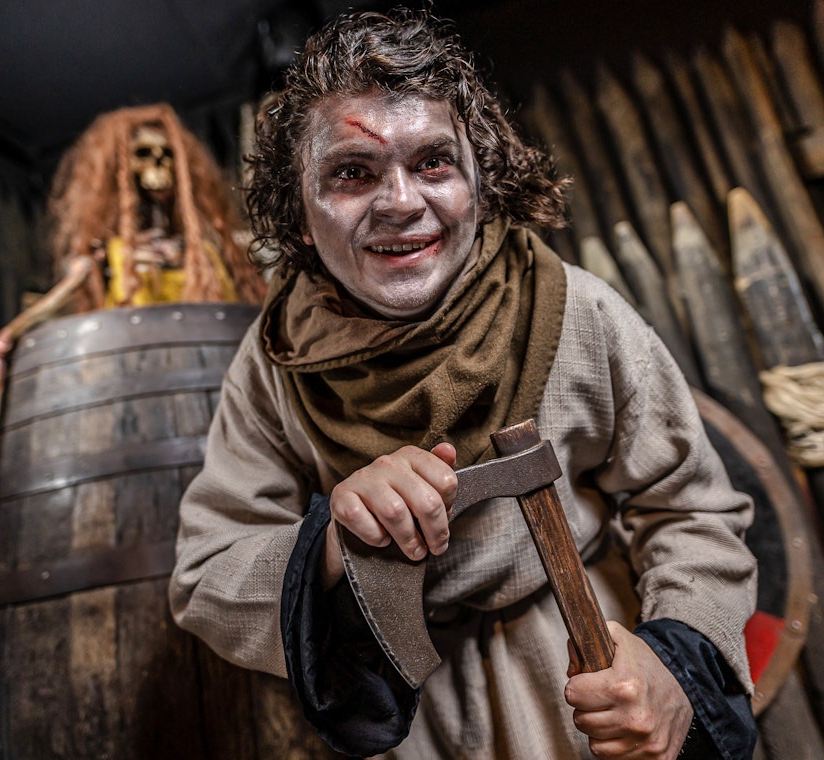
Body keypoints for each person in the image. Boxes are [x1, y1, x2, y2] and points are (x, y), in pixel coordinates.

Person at [169, 8, 757, 759]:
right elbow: (206, 576)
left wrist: (674, 667)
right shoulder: (273, 362)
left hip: (587, 685)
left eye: (433, 163)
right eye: (352, 172)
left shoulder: (575, 311)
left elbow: (692, 508)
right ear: (299, 205)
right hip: (412, 720)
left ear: (481, 175)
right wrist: (334, 543)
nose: (400, 202)